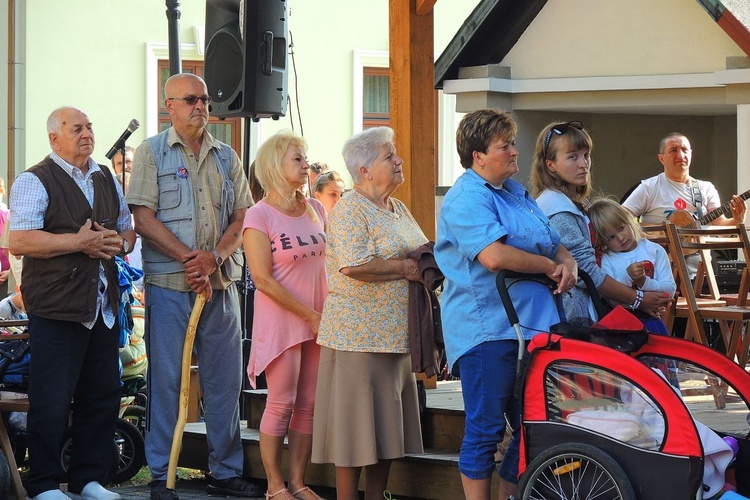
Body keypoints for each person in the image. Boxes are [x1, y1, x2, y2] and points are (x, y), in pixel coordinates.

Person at [127, 73, 261, 499]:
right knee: (167, 380)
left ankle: (224, 471)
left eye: (205, 98)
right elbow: (142, 217)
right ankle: (161, 474)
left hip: (220, 284)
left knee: (225, 382)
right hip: (171, 284)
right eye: (191, 99)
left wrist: (214, 258)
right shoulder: (151, 152)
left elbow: (243, 217)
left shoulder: (227, 156)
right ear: (170, 105)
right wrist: (190, 258)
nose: (201, 106)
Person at [434, 109, 578, 500]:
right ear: (478, 156)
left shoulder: (514, 191)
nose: (516, 152)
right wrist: (550, 267)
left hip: (534, 328)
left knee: (534, 427)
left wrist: (567, 260)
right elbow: (493, 256)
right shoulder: (465, 198)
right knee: (485, 430)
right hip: (488, 331)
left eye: (513, 143)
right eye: (505, 146)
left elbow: (549, 237)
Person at [9, 106, 136, 500]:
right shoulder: (35, 179)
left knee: (102, 395)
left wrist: (118, 244)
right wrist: (78, 243)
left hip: (104, 307)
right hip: (57, 307)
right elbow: (20, 241)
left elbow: (128, 232)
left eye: (89, 127)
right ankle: (45, 482)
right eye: (76, 128)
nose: (87, 133)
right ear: (54, 138)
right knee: (52, 397)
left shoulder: (105, 177)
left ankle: (88, 479)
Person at [312, 127, 426, 500]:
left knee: (385, 429)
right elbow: (354, 265)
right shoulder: (349, 208)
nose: (399, 161)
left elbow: (421, 248)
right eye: (389, 156)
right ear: (364, 170)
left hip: (395, 335)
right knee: (353, 432)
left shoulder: (398, 207)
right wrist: (406, 269)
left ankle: (376, 497)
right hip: (357, 338)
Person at [243, 131, 327, 500]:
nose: (305, 163)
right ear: (275, 165)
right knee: (281, 402)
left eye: (305, 156)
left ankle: (299, 482)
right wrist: (309, 314)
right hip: (283, 320)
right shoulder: (258, 214)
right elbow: (262, 279)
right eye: (297, 157)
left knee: (308, 403)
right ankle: (274, 486)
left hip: (318, 319)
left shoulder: (317, 208)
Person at [530, 121, 672, 323]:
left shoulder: (570, 203)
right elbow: (586, 272)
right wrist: (639, 299)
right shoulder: (559, 209)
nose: (583, 164)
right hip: (572, 318)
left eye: (586, 155)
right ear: (550, 164)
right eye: (572, 157)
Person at [622, 132, 747, 278]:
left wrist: (737, 220)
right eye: (673, 150)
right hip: (658, 267)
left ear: (691, 154)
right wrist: (647, 236)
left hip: (697, 271)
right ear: (661, 158)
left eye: (684, 149)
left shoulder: (705, 188)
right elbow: (621, 217)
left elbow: (718, 226)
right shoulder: (649, 187)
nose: (680, 155)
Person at [588, 198, 676, 334]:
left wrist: (644, 282)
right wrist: (628, 278)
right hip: (622, 327)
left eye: (621, 228)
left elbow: (669, 289)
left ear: (629, 221)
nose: (620, 238)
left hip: (652, 322)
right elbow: (611, 298)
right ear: (601, 240)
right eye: (611, 237)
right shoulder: (607, 259)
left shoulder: (654, 250)